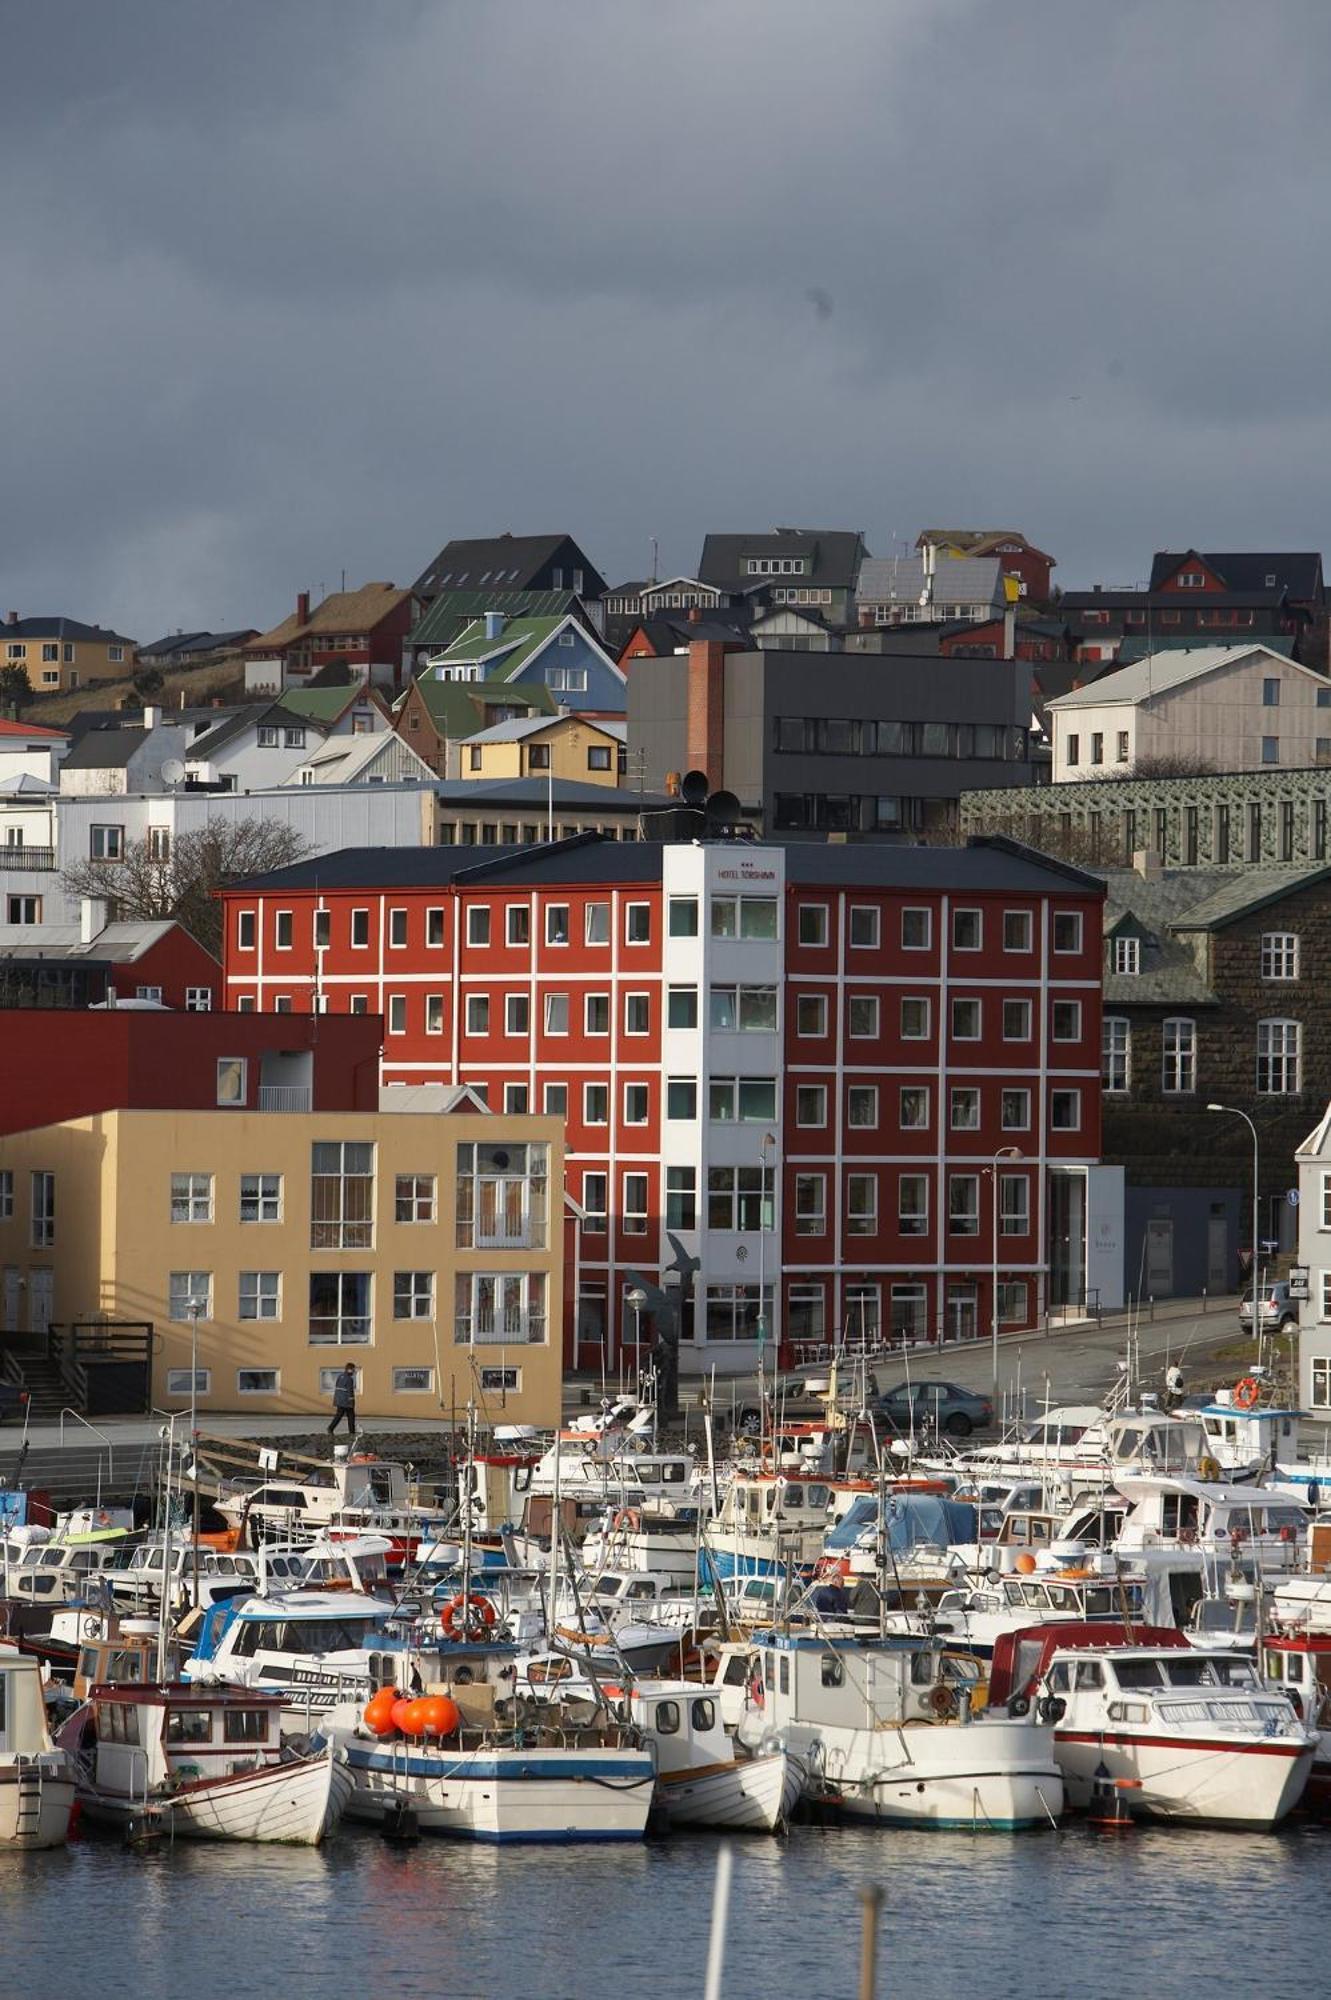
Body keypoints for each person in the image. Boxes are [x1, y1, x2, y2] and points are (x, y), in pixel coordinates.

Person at [328, 1362, 357, 1438]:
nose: (354, 1371)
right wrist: (352, 1402)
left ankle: (331, 1428)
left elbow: (337, 1387)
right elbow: (350, 1391)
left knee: (339, 1415)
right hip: (346, 1401)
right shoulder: (349, 1379)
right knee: (351, 1416)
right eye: (353, 1369)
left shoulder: (340, 1376)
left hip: (339, 1399)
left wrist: (336, 1399)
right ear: (349, 1369)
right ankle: (352, 1432)